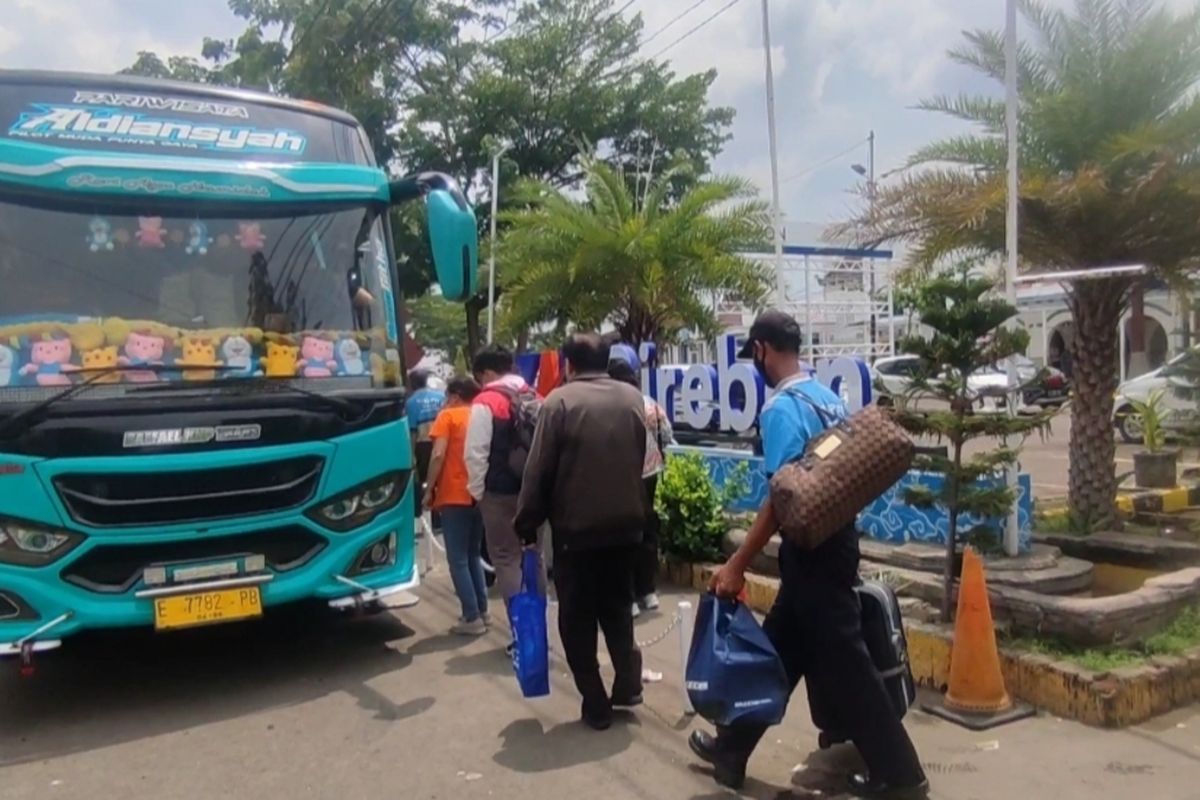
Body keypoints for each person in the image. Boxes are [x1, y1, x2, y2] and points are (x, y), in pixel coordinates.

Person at [688, 310, 928, 799]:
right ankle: (732, 748)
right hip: (840, 542)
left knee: (849, 667)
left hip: (810, 552)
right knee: (777, 652)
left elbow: (782, 499)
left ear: (761, 350)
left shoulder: (779, 410)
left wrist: (737, 565)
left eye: (753, 354)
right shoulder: (827, 399)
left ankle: (902, 776)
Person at [515, 333, 648, 731]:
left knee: (577, 620)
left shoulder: (559, 403)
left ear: (569, 364)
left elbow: (538, 470)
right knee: (618, 610)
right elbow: (640, 456)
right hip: (627, 526)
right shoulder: (631, 398)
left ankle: (596, 703)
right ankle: (628, 684)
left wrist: (526, 523)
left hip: (577, 532)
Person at [465, 344, 545, 613]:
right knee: (535, 556)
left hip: (499, 493)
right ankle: (539, 626)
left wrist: (478, 493)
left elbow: (475, 453)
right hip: (535, 490)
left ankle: (522, 632)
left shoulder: (485, 402)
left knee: (506, 558)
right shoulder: (536, 396)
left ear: (486, 372)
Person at [606, 342, 674, 617]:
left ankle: (629, 597)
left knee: (620, 536)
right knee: (647, 532)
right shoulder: (650, 404)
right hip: (649, 475)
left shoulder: (609, 404)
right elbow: (667, 437)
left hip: (618, 477)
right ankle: (648, 591)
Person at [424, 376, 489, 636]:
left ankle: (471, 616)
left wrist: (428, 489)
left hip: (453, 494)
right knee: (474, 555)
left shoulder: (448, 416)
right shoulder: (481, 415)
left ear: (454, 395)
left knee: (458, 559)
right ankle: (483, 611)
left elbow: (438, 454)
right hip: (479, 494)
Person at [406, 369, 446, 523]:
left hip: (423, 444)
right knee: (439, 478)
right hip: (442, 441)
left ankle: (420, 513)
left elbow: (412, 431)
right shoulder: (440, 397)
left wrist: (411, 455)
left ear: (412, 383)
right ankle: (438, 519)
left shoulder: (411, 402)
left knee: (422, 479)